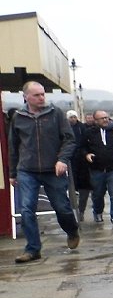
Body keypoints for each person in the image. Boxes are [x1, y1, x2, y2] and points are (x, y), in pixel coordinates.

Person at [7, 81, 81, 262]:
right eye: (37, 95)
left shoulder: (56, 114)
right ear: (26, 97)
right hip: (27, 170)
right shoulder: (18, 117)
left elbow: (69, 140)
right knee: (26, 209)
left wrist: (62, 159)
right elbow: (13, 146)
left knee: (62, 208)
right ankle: (32, 249)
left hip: (53, 169)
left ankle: (72, 231)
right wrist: (12, 173)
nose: (42, 98)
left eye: (43, 94)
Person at [67, 110, 92, 221]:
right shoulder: (65, 129)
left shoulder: (83, 128)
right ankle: (73, 210)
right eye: (70, 117)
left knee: (84, 188)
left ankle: (81, 210)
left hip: (83, 161)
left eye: (74, 117)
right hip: (70, 160)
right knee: (71, 187)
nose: (73, 119)